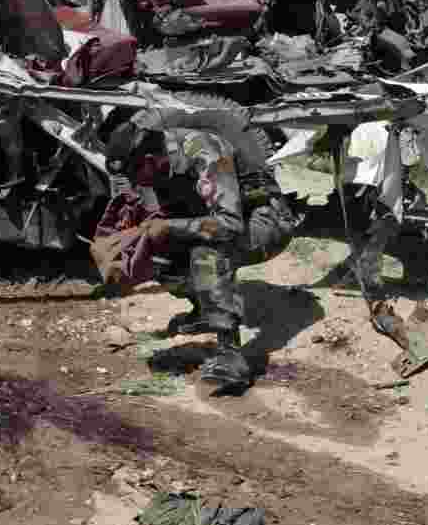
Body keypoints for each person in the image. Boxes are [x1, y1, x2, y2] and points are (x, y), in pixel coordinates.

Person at [93, 105, 296, 392]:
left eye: (136, 174)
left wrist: (170, 228)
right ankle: (203, 310)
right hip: (224, 220)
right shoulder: (158, 164)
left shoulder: (204, 150)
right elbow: (168, 215)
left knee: (205, 251)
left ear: (150, 160)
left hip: (266, 220)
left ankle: (231, 354)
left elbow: (229, 225)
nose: (137, 183)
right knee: (160, 251)